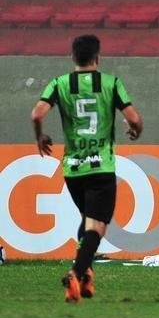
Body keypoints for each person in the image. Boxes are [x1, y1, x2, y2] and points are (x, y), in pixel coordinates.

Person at [31, 35, 143, 302]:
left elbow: (37, 114)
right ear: (98, 58)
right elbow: (134, 118)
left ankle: (87, 275)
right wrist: (135, 130)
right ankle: (76, 272)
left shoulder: (59, 84)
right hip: (100, 167)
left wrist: (40, 136)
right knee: (97, 227)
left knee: (88, 220)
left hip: (73, 169)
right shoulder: (110, 83)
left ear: (73, 58)